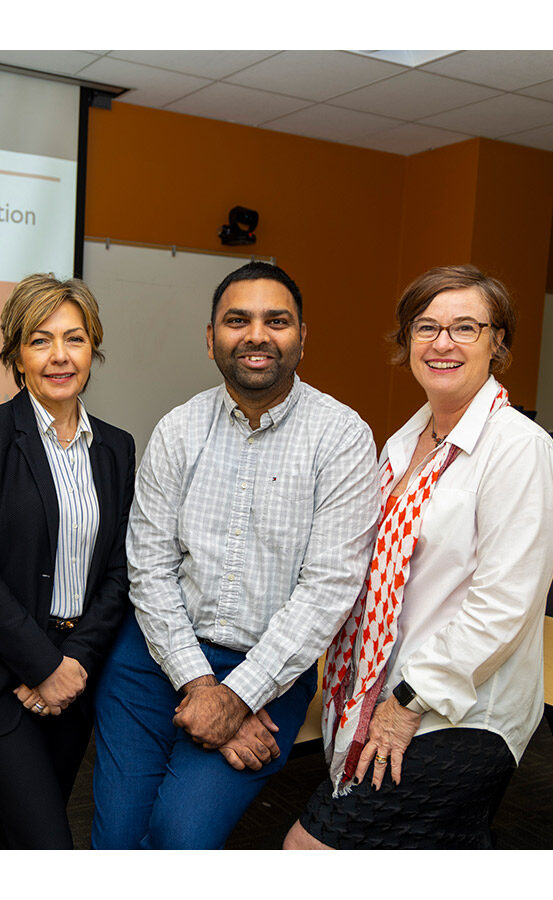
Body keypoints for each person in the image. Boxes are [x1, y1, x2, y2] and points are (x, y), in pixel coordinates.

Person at [90, 261, 380, 849]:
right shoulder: (178, 429)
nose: (256, 335)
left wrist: (240, 694)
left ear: (302, 336)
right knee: (116, 840)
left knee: (180, 839)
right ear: (211, 338)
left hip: (269, 675)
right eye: (236, 320)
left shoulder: (342, 435)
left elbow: (327, 589)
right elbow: (148, 567)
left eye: (277, 320)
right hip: (151, 659)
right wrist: (201, 686)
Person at [285, 265, 553, 850]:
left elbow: (503, 607)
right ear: (406, 342)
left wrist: (409, 702)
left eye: (466, 327)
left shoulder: (519, 451)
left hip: (454, 714)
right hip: (386, 690)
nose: (443, 343)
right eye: (426, 327)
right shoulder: (401, 443)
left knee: (308, 851)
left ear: (499, 342)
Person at [0, 273, 135, 850]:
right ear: (16, 355)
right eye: (40, 340)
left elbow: (119, 571)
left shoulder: (116, 447)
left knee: (20, 838)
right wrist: (43, 666)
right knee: (48, 845)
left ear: (94, 347)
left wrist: (73, 664)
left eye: (75, 338)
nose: (59, 356)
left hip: (76, 673)